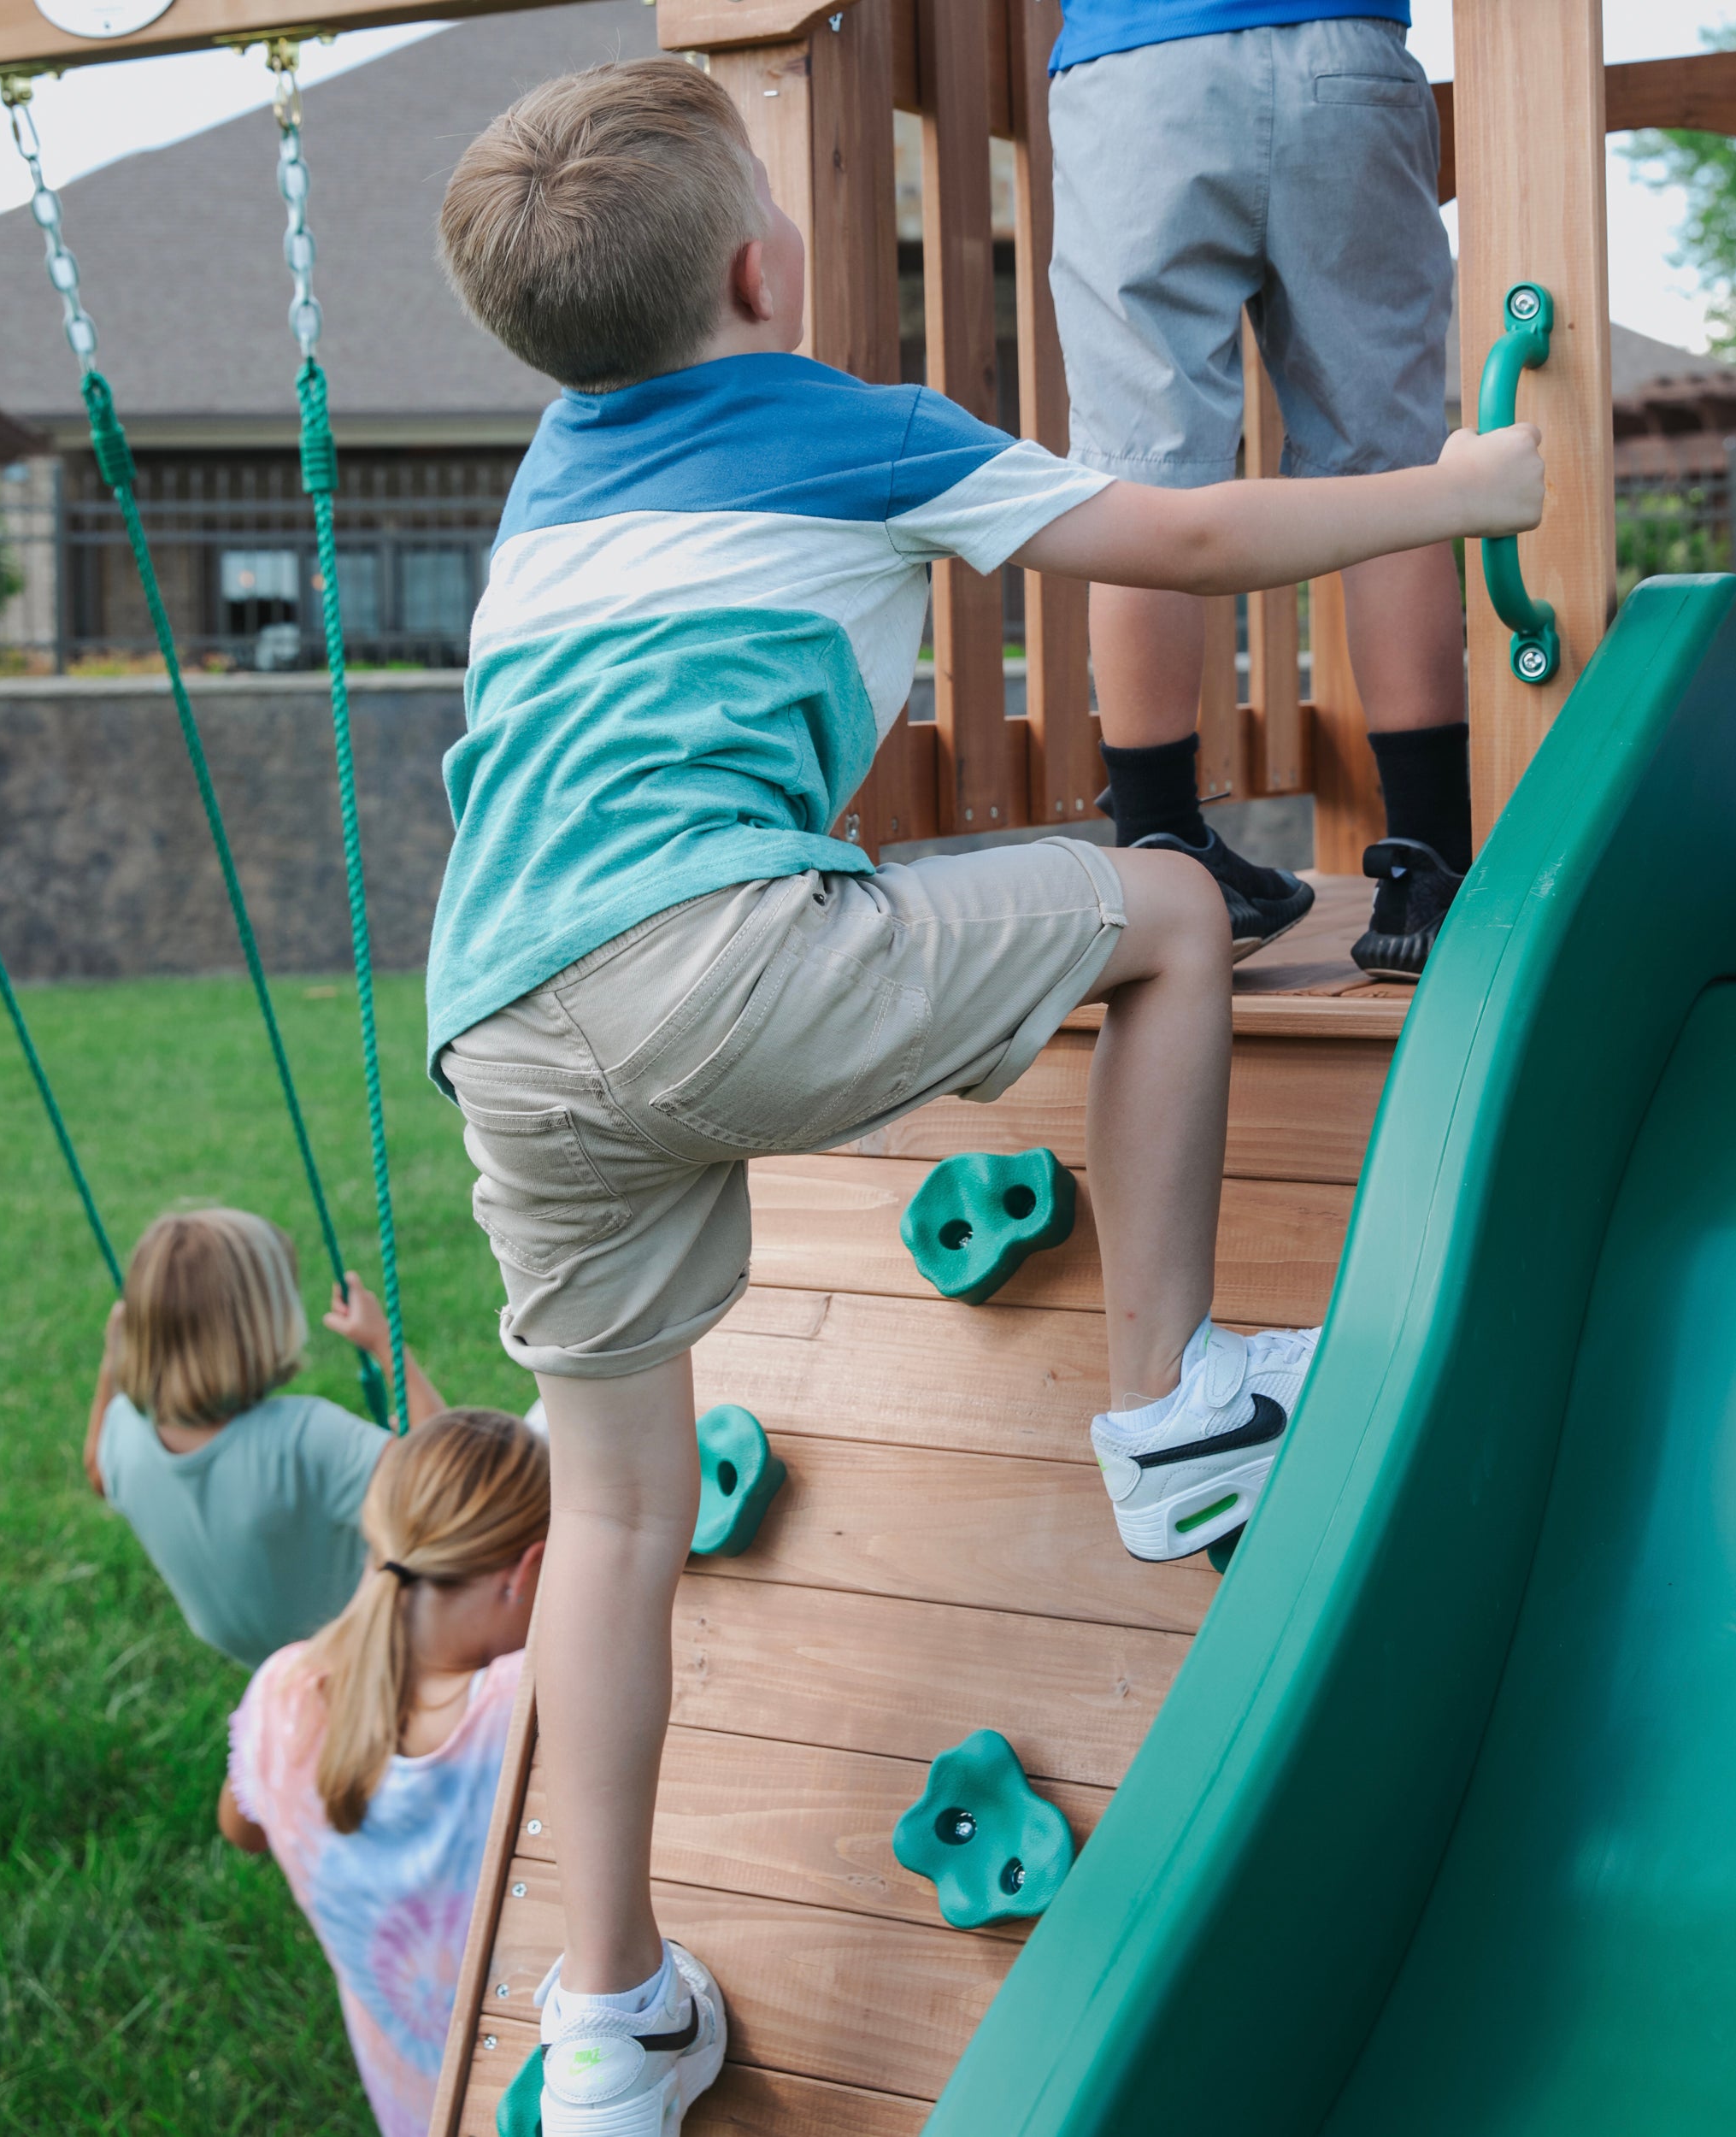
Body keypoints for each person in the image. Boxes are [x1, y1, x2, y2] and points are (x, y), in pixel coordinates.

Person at [433, 58, 1542, 2133]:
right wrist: (1460, 491)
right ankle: (1172, 1404)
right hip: (713, 955)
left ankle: (604, 2026)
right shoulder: (840, 427)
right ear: (767, 262)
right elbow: (1192, 528)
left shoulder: (556, 484)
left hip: (500, 1018)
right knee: (1169, 912)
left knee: (614, 1515)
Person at [1044, 2, 1468, 977]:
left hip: (1136, 68)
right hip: (1341, 51)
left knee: (1138, 482)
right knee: (1392, 477)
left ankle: (1160, 843)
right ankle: (1431, 863)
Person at [218, 1407, 555, 2137]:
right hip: (546, 2096)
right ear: (527, 1573)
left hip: (414, 2104)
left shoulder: (284, 1693)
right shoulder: (524, 1709)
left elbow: (241, 1827)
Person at [85, 1206, 445, 1668]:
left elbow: (99, 1470)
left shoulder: (123, 1433)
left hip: (265, 1657)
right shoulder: (306, 1438)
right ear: (262, 1327)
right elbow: (452, 1484)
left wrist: (112, 1364)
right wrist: (386, 1346)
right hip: (374, 1649)